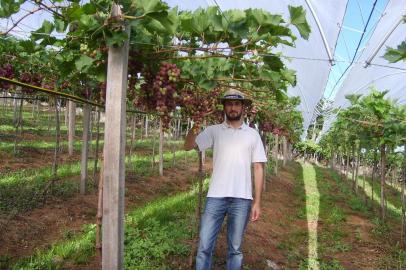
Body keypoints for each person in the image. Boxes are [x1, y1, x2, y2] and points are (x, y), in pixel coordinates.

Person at [184, 89, 267, 270]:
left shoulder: (252, 134)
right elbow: (188, 145)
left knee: (235, 249)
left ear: (243, 107)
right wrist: (196, 123)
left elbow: (259, 167)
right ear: (224, 107)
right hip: (215, 196)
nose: (233, 107)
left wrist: (257, 202)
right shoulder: (214, 131)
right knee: (204, 247)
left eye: (237, 104)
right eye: (229, 104)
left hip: (242, 199)